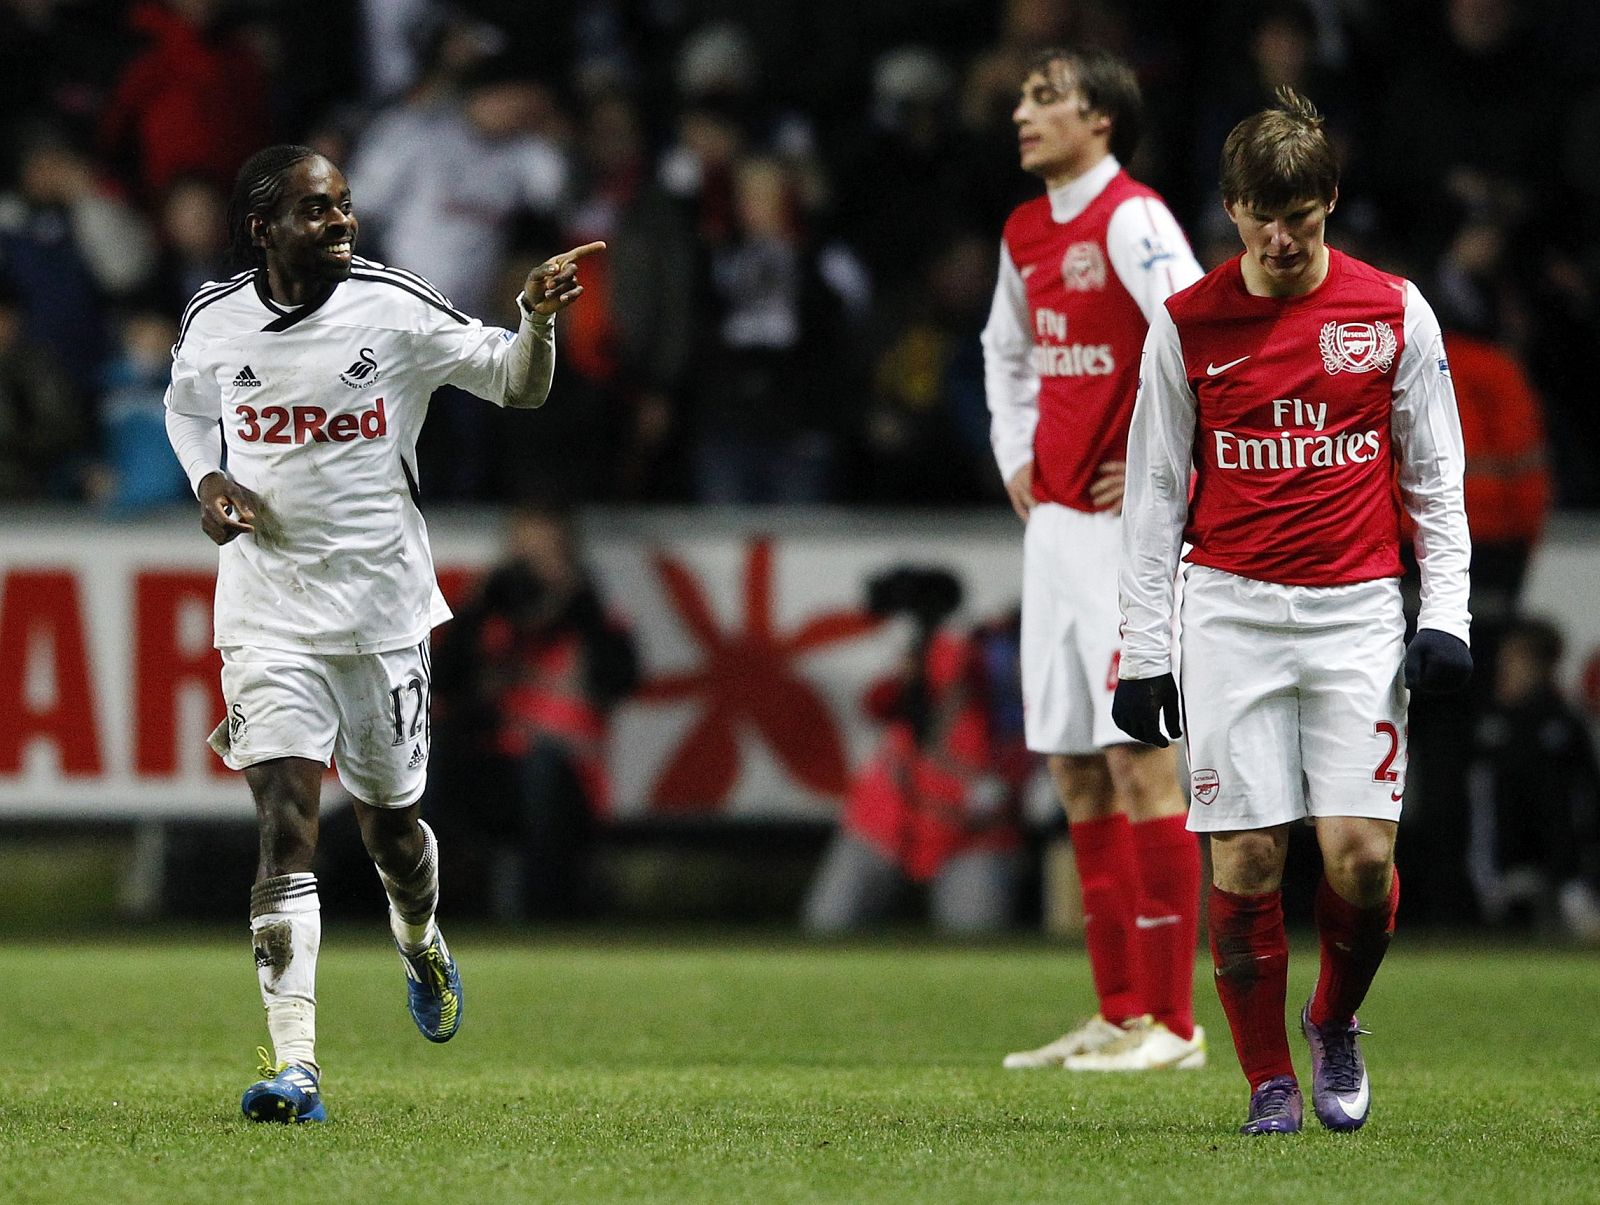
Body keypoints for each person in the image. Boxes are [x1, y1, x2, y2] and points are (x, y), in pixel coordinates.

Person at [162, 143, 602, 1123]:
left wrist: (533, 318)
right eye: (318, 211)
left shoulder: (393, 306)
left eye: (345, 207)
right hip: (267, 607)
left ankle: (420, 935)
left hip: (382, 615)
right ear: (261, 227)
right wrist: (209, 481)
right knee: (284, 823)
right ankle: (297, 1067)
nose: (342, 223)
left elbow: (515, 384)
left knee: (392, 829)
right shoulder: (215, 317)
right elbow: (186, 407)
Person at [1114, 88, 1472, 1135]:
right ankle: (1267, 1076)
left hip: (1357, 609)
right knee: (1249, 857)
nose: (1279, 239)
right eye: (1260, 218)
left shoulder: (1391, 310)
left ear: (1328, 203)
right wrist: (1144, 652)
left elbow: (1435, 475)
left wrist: (1443, 613)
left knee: (1361, 857)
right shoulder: (1185, 325)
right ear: (1229, 208)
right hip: (1227, 607)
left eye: (1301, 219)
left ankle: (1332, 1021)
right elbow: (1151, 494)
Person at [982, 46, 1207, 1073]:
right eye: (1024, 98)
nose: (1023, 114)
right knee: (1075, 767)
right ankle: (1119, 1009)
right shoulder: (1026, 229)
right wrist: (1015, 447)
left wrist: (1166, 466)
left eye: (1046, 100)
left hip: (1131, 537)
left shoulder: (1133, 219)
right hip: (1057, 529)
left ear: (1100, 121)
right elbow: (1007, 348)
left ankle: (1177, 1023)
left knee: (1140, 760)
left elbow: (1202, 335)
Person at [428, 504, 640, 921]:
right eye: (522, 556)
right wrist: (478, 604)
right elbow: (441, 681)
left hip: (566, 776)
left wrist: (576, 599)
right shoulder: (489, 621)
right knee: (435, 760)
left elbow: (620, 678)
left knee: (539, 769)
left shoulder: (591, 620)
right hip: (495, 769)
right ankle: (438, 904)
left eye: (545, 556)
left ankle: (546, 911)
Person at [803, 574, 1030, 936]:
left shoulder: (1056, 692)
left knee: (979, 954)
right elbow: (877, 704)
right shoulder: (958, 655)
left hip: (976, 836)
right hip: (886, 819)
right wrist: (913, 673)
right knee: (826, 934)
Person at [1465, 618, 1600, 942]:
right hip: (1502, 875)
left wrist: (1581, 868)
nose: (1503, 668)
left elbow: (1586, 799)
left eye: (1513, 661)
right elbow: (1477, 806)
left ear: (1541, 666)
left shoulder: (1565, 724)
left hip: (1567, 876)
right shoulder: (1488, 725)